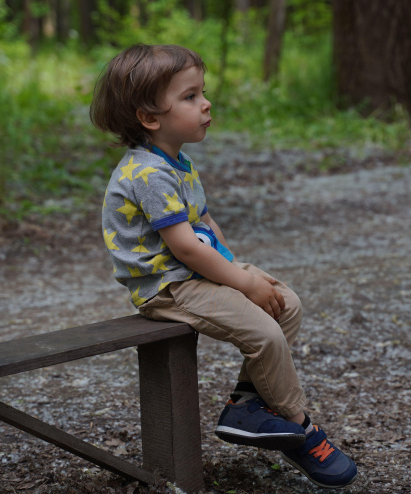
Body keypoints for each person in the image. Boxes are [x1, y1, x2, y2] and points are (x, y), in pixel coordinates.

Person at [90, 43, 357, 489]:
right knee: (265, 331)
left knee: (286, 303)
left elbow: (203, 223)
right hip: (168, 285)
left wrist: (242, 271)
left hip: (192, 273)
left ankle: (247, 405)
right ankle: (301, 429)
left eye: (203, 92)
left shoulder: (177, 162)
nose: (206, 103)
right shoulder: (147, 174)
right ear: (150, 117)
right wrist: (241, 283)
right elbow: (186, 248)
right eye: (190, 96)